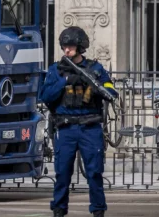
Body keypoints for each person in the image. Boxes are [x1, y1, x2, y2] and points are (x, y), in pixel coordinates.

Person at [38, 26, 118, 217]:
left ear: (80, 47)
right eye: (65, 46)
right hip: (66, 128)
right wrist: (65, 80)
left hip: (90, 127)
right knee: (62, 173)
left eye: (71, 46)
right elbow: (45, 95)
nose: (67, 50)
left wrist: (92, 83)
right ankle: (59, 209)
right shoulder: (55, 70)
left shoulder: (95, 69)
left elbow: (111, 92)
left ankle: (98, 210)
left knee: (94, 173)